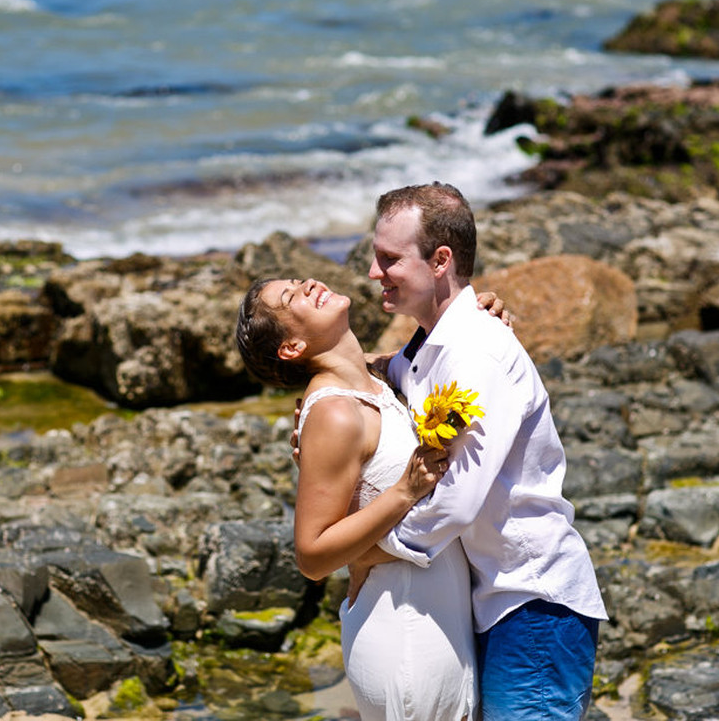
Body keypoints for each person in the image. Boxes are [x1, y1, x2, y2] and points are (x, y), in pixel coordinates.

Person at [360, 182, 608, 721]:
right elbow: (387, 376)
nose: (374, 274)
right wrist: (321, 407)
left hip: (533, 598)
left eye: (388, 259)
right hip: (493, 600)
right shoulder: (428, 344)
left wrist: (369, 552)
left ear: (441, 260)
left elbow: (455, 502)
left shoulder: (478, 352)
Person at [235, 277, 507, 721]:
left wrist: (480, 314)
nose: (308, 285)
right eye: (290, 297)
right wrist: (404, 491)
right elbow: (313, 555)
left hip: (437, 617)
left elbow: (433, 353)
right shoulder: (335, 411)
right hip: (403, 631)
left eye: (299, 280)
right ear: (292, 346)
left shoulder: (376, 382)